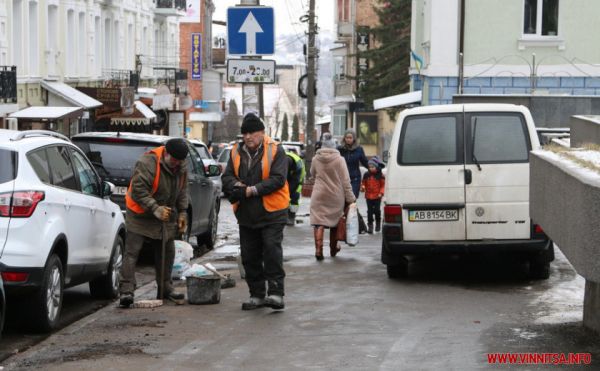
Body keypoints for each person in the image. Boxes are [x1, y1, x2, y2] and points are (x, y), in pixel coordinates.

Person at [221, 113, 290, 311]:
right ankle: (257, 295)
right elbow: (227, 177)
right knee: (249, 255)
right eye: (245, 133)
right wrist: (236, 185)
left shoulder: (276, 150)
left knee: (271, 250)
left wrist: (251, 190)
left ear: (262, 132)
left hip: (272, 211)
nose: (248, 137)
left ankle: (276, 293)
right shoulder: (235, 151)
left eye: (252, 132)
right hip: (246, 213)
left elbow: (278, 179)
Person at [119, 138, 190, 308]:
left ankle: (165, 287)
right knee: (132, 252)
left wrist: (182, 212)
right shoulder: (147, 163)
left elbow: (183, 190)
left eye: (179, 162)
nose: (176, 165)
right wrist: (155, 208)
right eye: (174, 160)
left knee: (167, 250)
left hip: (164, 213)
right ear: (166, 152)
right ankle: (126, 291)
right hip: (140, 213)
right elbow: (138, 191)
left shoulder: (180, 166)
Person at [310, 133, 356, 260]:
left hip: (318, 195)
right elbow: (346, 181)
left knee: (318, 222)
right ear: (334, 146)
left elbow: (312, 174)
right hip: (336, 196)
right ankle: (333, 249)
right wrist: (351, 198)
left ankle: (318, 249)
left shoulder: (315, 159)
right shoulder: (340, 160)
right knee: (335, 223)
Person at [338, 129, 369, 233]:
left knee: (352, 201)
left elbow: (365, 162)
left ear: (354, 139)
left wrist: (375, 169)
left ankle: (359, 226)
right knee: (344, 202)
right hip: (342, 179)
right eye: (347, 137)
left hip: (355, 178)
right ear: (344, 138)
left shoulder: (359, 149)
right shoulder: (340, 149)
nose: (348, 140)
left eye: (350, 138)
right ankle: (351, 225)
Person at [361, 159, 385, 234]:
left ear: (376, 166)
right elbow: (363, 183)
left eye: (372, 167)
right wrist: (362, 187)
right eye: (369, 167)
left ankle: (378, 223)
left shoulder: (380, 175)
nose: (371, 168)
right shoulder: (366, 174)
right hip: (368, 196)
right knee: (370, 212)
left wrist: (381, 193)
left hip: (377, 196)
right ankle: (370, 226)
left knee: (377, 211)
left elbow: (383, 185)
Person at [285, 150, 305, 226]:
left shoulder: (297, 165)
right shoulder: (282, 160)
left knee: (293, 199)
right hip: (290, 177)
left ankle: (291, 217)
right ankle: (285, 216)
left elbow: (295, 181)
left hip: (297, 182)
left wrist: (287, 192)